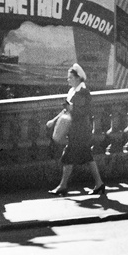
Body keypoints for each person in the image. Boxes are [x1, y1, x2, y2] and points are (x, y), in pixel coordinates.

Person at [48, 63, 106, 196]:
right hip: (76, 130)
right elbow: (66, 109)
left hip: (80, 131)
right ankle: (99, 184)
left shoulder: (83, 92)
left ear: (78, 78)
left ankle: (63, 186)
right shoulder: (73, 91)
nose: (68, 80)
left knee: (68, 156)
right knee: (87, 157)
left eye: (70, 77)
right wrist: (54, 120)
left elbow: (84, 111)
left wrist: (72, 109)